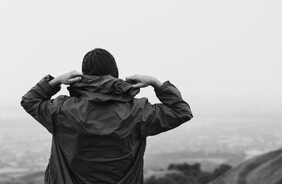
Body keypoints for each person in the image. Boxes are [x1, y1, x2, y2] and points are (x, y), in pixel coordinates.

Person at [21, 48, 193, 184]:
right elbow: (181, 111)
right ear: (115, 74)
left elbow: (30, 101)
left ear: (82, 76)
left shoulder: (62, 110)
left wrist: (56, 81)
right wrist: (156, 82)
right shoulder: (139, 112)